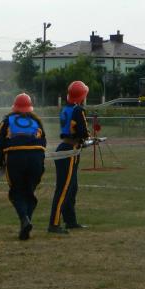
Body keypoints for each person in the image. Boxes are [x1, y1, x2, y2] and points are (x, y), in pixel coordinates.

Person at [0, 93, 46, 240]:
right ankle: (26, 224)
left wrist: (0, 161)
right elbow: (44, 141)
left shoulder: (7, 121)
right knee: (29, 192)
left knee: (16, 192)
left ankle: (24, 219)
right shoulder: (36, 121)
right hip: (36, 158)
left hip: (16, 157)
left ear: (14, 107)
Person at [48, 80, 91, 234]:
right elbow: (83, 131)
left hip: (66, 147)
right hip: (70, 150)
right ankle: (54, 224)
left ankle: (70, 221)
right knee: (64, 188)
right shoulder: (78, 110)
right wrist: (86, 138)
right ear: (82, 96)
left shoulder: (66, 108)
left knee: (72, 188)